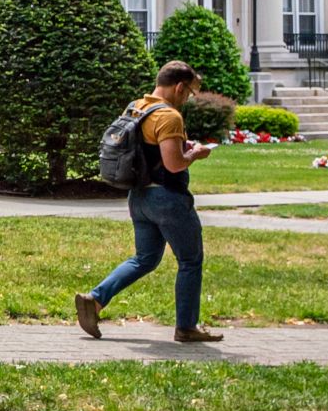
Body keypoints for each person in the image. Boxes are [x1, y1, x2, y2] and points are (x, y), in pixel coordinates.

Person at [76, 61, 221, 343]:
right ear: (179, 87)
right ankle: (187, 327)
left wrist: (182, 146)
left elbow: (149, 150)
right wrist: (196, 153)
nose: (188, 98)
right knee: (190, 260)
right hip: (167, 198)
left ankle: (94, 299)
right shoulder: (170, 117)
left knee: (145, 258)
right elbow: (174, 164)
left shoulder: (137, 107)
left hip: (139, 196)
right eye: (189, 92)